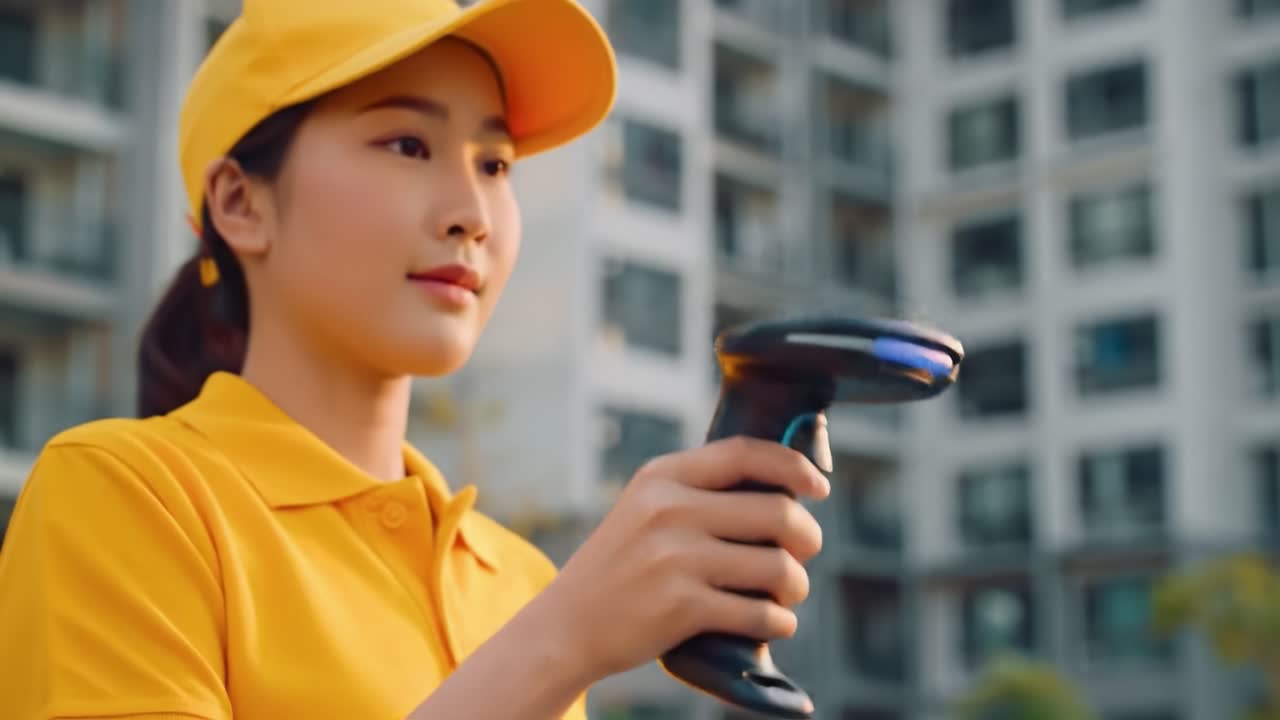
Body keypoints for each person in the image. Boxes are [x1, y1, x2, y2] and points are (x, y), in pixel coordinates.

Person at [0, 1, 829, 718]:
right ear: (240, 203)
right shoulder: (121, 497)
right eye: (406, 144)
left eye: (496, 164)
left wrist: (559, 632)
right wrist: (563, 641)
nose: (473, 212)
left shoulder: (519, 581)